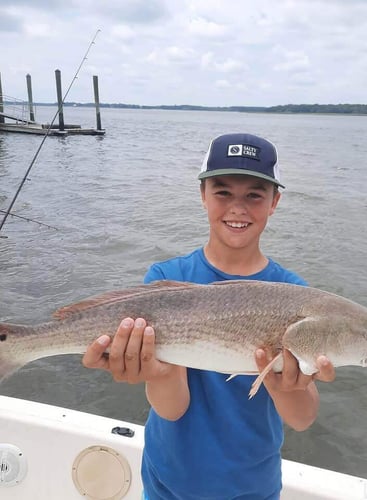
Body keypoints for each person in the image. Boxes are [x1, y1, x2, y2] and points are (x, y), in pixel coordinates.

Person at [82, 132, 335, 500]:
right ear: (202, 194)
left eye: (254, 194)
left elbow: (301, 418)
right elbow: (172, 409)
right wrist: (157, 372)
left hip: (252, 488)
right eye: (222, 192)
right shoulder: (166, 281)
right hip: (167, 484)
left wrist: (288, 388)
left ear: (274, 202)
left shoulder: (295, 295)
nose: (238, 207)